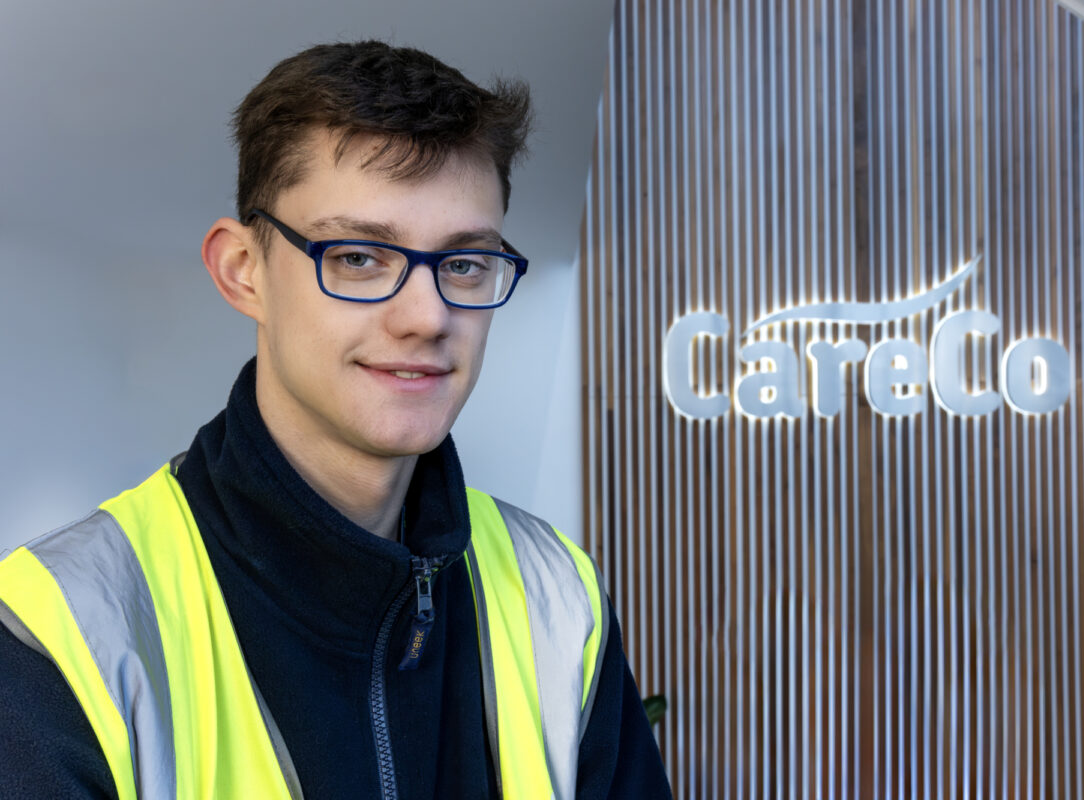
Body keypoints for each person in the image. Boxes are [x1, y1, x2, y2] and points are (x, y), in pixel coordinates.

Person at [0, 41, 671, 799]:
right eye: (358, 257)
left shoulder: (559, 597)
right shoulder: (60, 631)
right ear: (243, 270)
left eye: (465, 262)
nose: (428, 316)